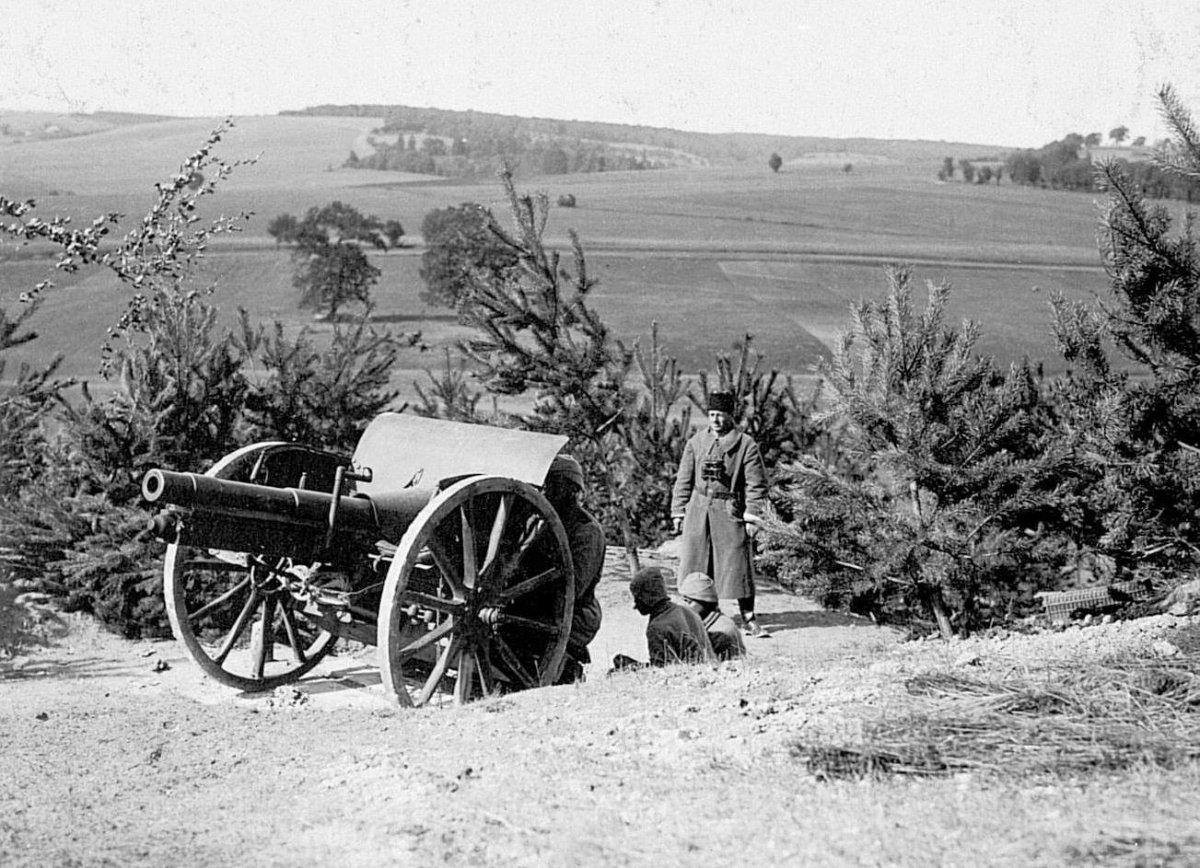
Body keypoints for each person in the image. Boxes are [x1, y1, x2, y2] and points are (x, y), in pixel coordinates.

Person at [671, 390, 771, 637]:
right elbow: (683, 479)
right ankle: (698, 615)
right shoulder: (696, 442)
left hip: (729, 510)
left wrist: (752, 515)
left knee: (738, 563)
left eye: (720, 414)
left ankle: (748, 617)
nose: (715, 420)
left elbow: (756, 484)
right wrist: (678, 510)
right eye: (712, 414)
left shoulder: (746, 445)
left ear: (730, 416)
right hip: (698, 509)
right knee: (696, 562)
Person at [544, 454, 606, 683]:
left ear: (572, 490)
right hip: (546, 604)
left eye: (554, 484)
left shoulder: (586, 530)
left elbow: (574, 587)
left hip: (576, 613)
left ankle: (565, 669)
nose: (546, 490)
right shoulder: (544, 518)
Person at [612, 567, 714, 670]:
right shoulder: (688, 611)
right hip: (708, 670)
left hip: (688, 675)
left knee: (616, 668)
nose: (635, 606)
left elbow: (662, 671)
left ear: (647, 597)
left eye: (637, 598)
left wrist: (631, 666)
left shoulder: (657, 627)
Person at [678, 571, 746, 661]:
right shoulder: (699, 619)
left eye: (688, 601)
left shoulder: (722, 630)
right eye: (683, 600)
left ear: (706, 602)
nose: (683, 605)